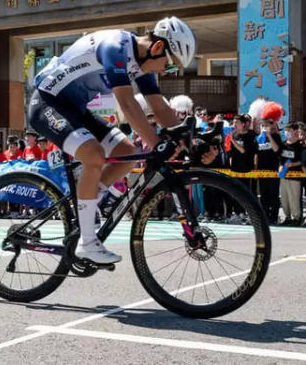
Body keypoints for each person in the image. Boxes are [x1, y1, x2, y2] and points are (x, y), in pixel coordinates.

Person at [26, 17, 194, 265]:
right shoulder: (115, 47)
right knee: (94, 156)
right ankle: (87, 241)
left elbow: (158, 106)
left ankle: (88, 203)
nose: (166, 72)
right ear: (157, 48)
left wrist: (190, 141)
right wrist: (158, 144)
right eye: (169, 66)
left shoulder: (142, 63)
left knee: (128, 152)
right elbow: (127, 104)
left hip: (75, 109)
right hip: (48, 103)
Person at [278, 122, 304, 225]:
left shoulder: (300, 146)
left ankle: (296, 218)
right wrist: (280, 167)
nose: (286, 132)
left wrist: (292, 164)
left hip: (295, 176)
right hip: (284, 175)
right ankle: (287, 216)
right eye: (286, 130)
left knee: (294, 197)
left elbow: (302, 161)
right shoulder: (283, 144)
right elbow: (280, 159)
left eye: (289, 130)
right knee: (284, 198)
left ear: (295, 131)